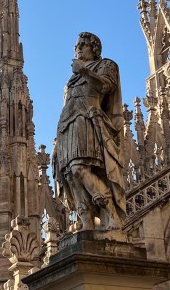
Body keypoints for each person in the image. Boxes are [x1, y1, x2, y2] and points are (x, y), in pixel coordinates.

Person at [54, 32, 126, 233]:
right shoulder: (71, 80)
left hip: (88, 121)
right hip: (67, 127)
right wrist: (56, 144)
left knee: (79, 168)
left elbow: (107, 86)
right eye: (76, 45)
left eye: (83, 44)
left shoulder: (105, 65)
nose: (78, 48)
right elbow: (66, 106)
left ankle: (112, 215)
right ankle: (86, 222)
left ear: (94, 48)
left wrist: (85, 72)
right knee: (69, 174)